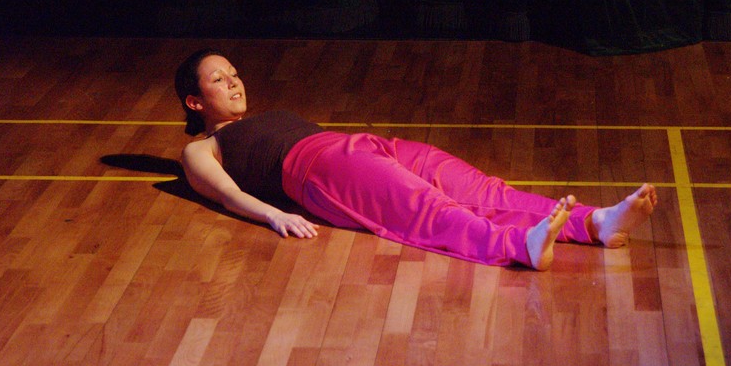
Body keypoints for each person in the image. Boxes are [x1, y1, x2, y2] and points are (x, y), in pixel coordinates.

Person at [175, 48, 658, 271]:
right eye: (218, 79)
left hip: (358, 145)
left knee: (483, 189)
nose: (234, 81)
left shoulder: (262, 118)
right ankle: (518, 246)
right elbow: (228, 195)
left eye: (234, 72)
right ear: (195, 102)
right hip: (320, 172)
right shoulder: (201, 149)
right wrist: (274, 215)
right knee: (427, 210)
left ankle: (594, 222)